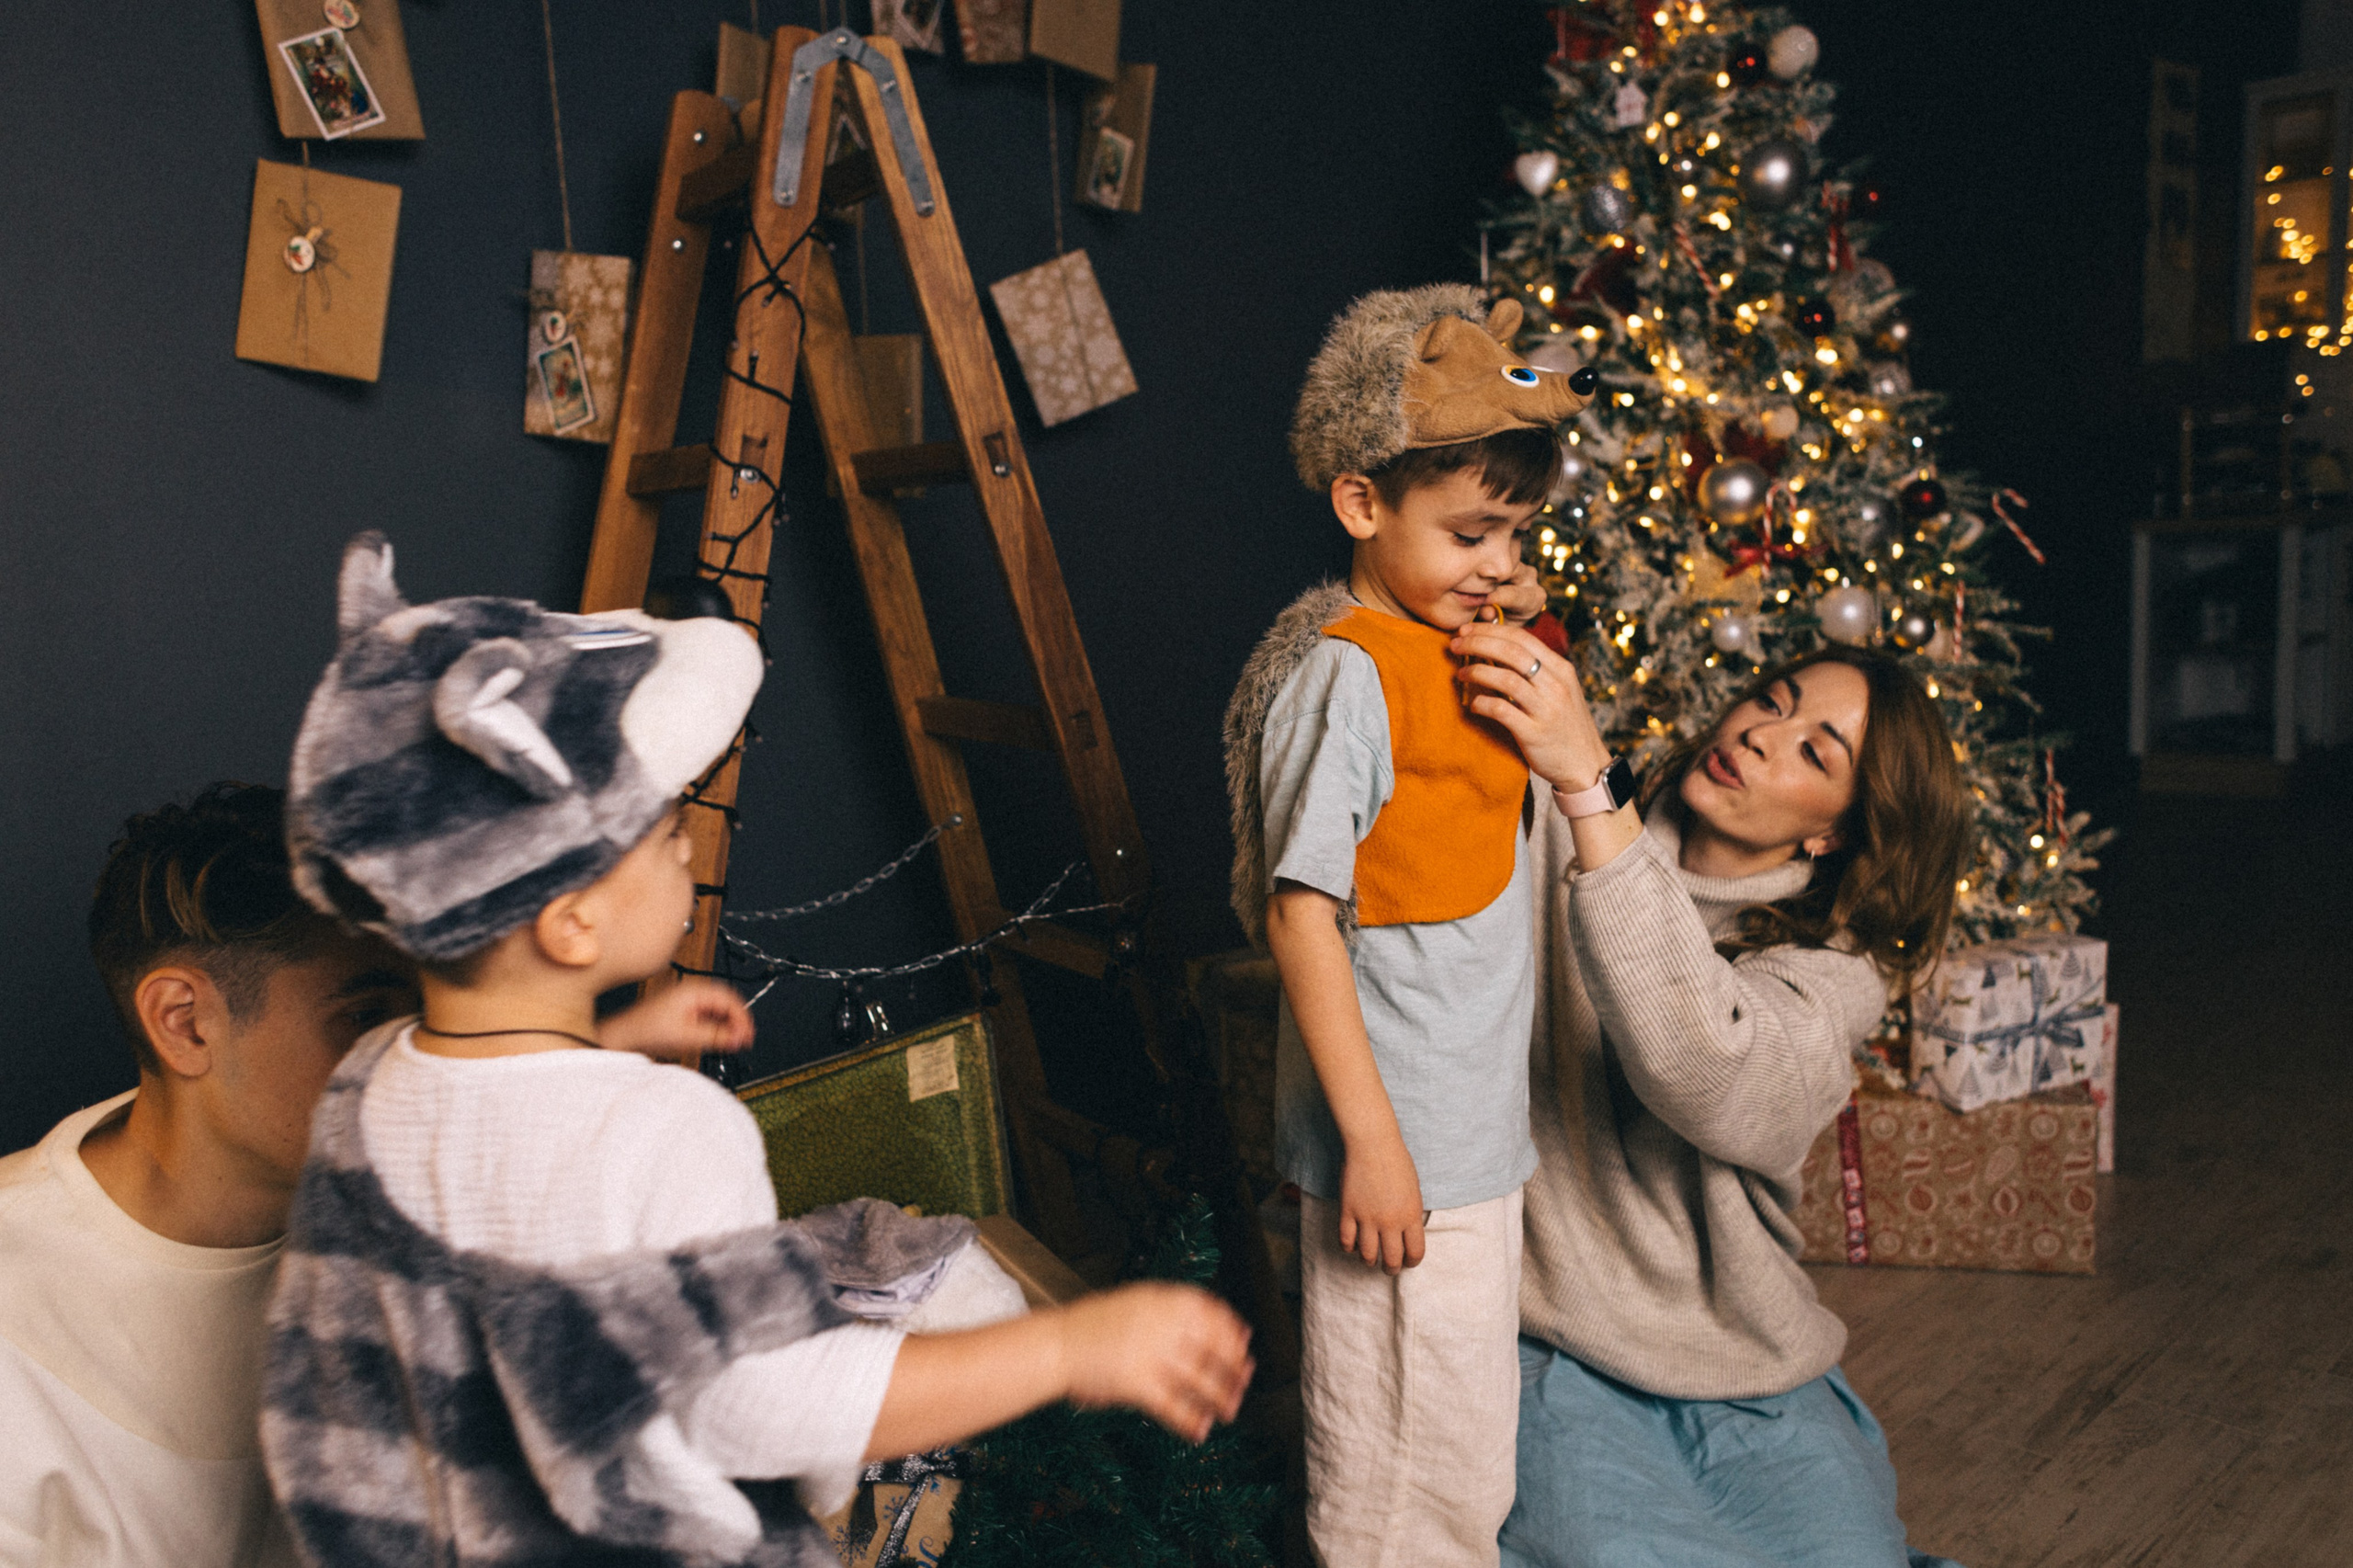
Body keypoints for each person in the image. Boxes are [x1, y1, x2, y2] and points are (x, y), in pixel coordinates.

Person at [263, 534, 1254, 1567]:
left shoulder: (365, 1083)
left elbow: (492, 1160)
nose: (688, 844)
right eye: (666, 833)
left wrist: (606, 1040)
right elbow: (763, 1403)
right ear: (571, 925)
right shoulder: (668, 1128)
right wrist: (1067, 1345)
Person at [0, 782, 804, 1566]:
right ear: (185, 1023)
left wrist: (604, 1044)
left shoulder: (415, 1171)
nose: (421, 1057)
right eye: (363, 1018)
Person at [1446, 619, 1975, 1568]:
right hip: (1551, 1339)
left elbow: (1702, 1068)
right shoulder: (1560, 812)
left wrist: (1591, 789)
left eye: (1813, 750)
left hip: (1741, 1359)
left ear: (1832, 829)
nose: (1763, 733)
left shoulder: (1834, 972)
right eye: (1771, 701)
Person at [1222, 284, 1594, 1568]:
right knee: (1392, 1460)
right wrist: (1373, 1146)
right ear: (1362, 504)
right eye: (1470, 531)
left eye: (1518, 532)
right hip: (1398, 1146)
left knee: (1461, 1444)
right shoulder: (1348, 674)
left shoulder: (1464, 645)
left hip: (1472, 1132)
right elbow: (1300, 918)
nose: (1500, 561)